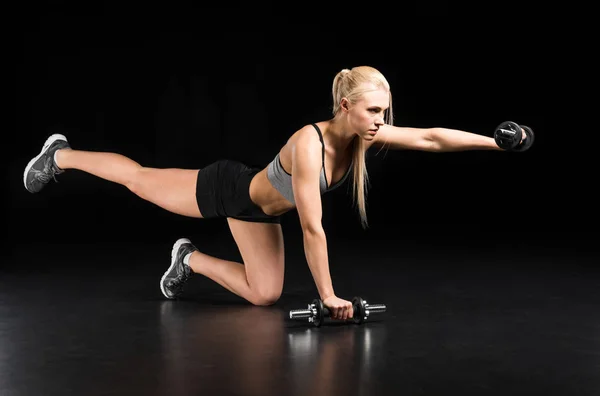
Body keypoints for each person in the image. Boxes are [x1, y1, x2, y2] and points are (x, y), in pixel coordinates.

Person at [23, 65, 530, 321]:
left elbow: (431, 137)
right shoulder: (307, 146)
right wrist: (327, 295)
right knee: (137, 178)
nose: (382, 122)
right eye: (373, 112)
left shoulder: (363, 134)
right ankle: (60, 156)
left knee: (263, 295)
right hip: (225, 189)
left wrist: (494, 143)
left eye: (385, 112)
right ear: (345, 105)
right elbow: (312, 228)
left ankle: (189, 259)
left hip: (258, 213)